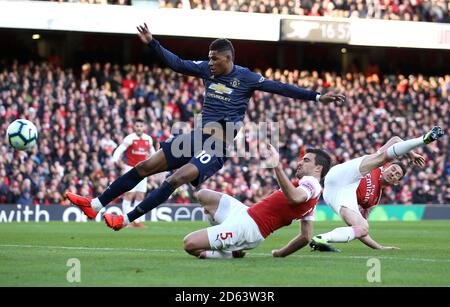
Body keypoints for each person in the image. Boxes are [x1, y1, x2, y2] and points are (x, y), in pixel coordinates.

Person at [66, 22, 345, 231]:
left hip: (218, 143)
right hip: (196, 136)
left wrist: (317, 96)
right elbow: (176, 63)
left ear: (228, 59)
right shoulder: (204, 70)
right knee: (144, 167)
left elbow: (281, 88)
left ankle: (124, 220)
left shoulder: (246, 78)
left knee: (175, 179)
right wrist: (152, 43)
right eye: (208, 58)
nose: (209, 62)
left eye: (214, 58)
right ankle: (94, 206)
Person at [183, 145, 332, 259]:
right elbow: (305, 237)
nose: (299, 162)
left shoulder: (311, 183)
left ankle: (230, 253)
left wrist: (276, 166)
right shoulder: (310, 196)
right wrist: (280, 254)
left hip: (249, 228)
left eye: (306, 160)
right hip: (245, 213)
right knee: (203, 195)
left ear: (318, 168)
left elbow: (294, 197)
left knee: (190, 244)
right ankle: (232, 245)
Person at [310, 126, 445, 251]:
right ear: (387, 167)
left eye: (397, 174)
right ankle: (424, 139)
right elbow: (396, 139)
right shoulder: (379, 166)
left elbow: (361, 232)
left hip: (337, 195)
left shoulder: (373, 201)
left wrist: (379, 247)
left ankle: (322, 239)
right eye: (393, 169)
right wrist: (411, 154)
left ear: (397, 182)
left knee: (363, 228)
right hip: (341, 174)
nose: (393, 173)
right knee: (378, 158)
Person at [111, 118, 155, 228]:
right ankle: (126, 221)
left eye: (141, 126)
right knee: (129, 194)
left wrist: (156, 164)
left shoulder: (148, 139)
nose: (139, 128)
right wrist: (115, 160)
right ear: (134, 127)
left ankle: (136, 221)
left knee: (140, 195)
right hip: (130, 169)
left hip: (143, 170)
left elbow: (153, 152)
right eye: (137, 126)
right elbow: (120, 149)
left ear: (144, 127)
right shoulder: (130, 138)